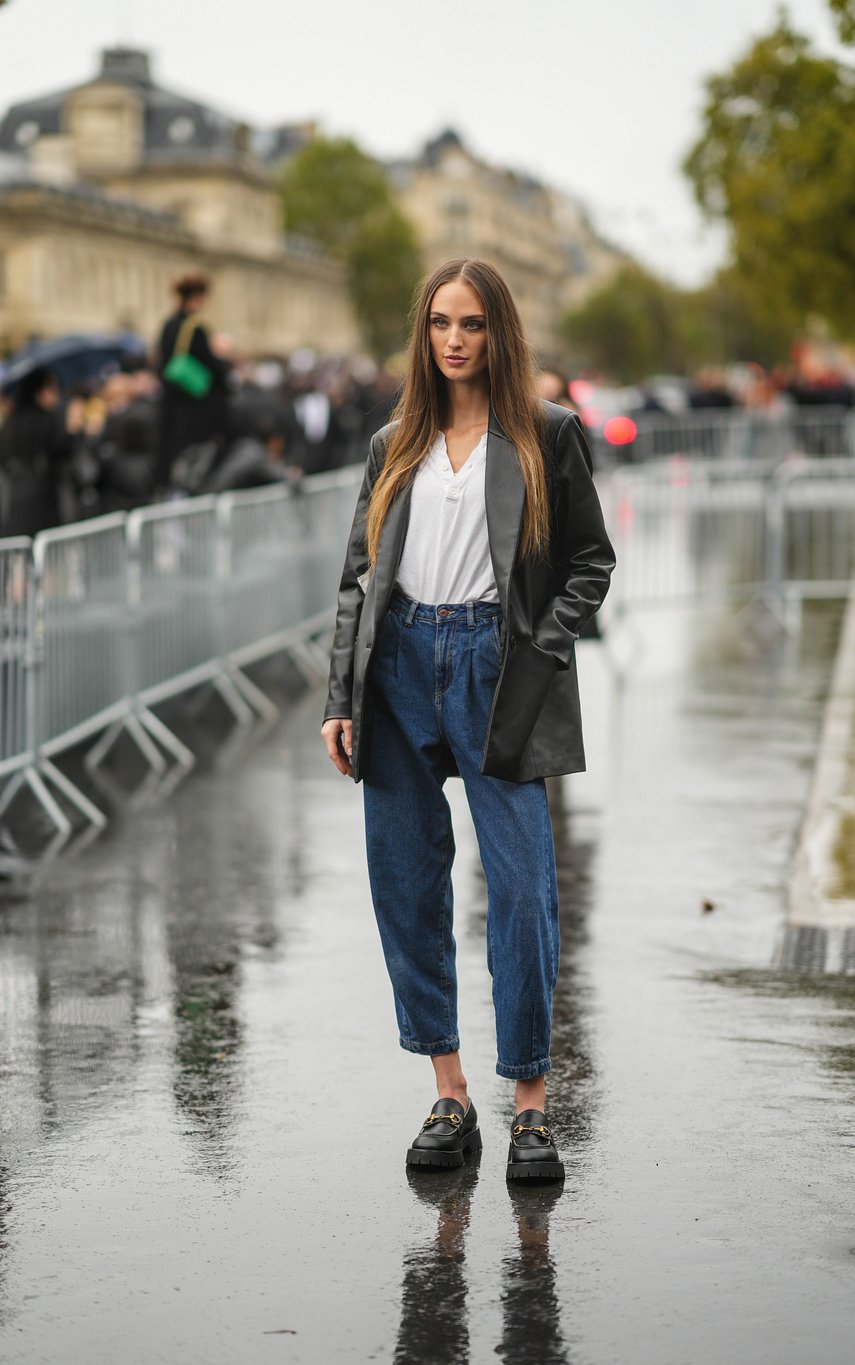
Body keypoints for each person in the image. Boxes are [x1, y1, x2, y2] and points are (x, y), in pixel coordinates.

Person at [320, 258, 615, 1182]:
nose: (454, 339)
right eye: (442, 323)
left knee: (523, 888)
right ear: (424, 333)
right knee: (406, 881)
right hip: (398, 663)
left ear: (500, 333)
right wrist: (340, 696)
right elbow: (358, 580)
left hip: (497, 663)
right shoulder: (394, 440)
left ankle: (530, 1106)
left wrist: (537, 647)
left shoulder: (546, 434)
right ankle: (449, 1093)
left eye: (473, 324)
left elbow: (590, 564)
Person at [155, 271, 231, 490]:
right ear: (198, 297)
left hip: (171, 406)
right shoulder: (195, 327)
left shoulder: (168, 325)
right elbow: (213, 370)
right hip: (193, 411)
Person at [0, 367, 79, 536]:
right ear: (39, 391)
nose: (56, 396)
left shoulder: (12, 420)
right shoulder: (48, 419)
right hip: (43, 496)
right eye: (52, 390)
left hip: (16, 494)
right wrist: (73, 431)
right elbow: (62, 451)